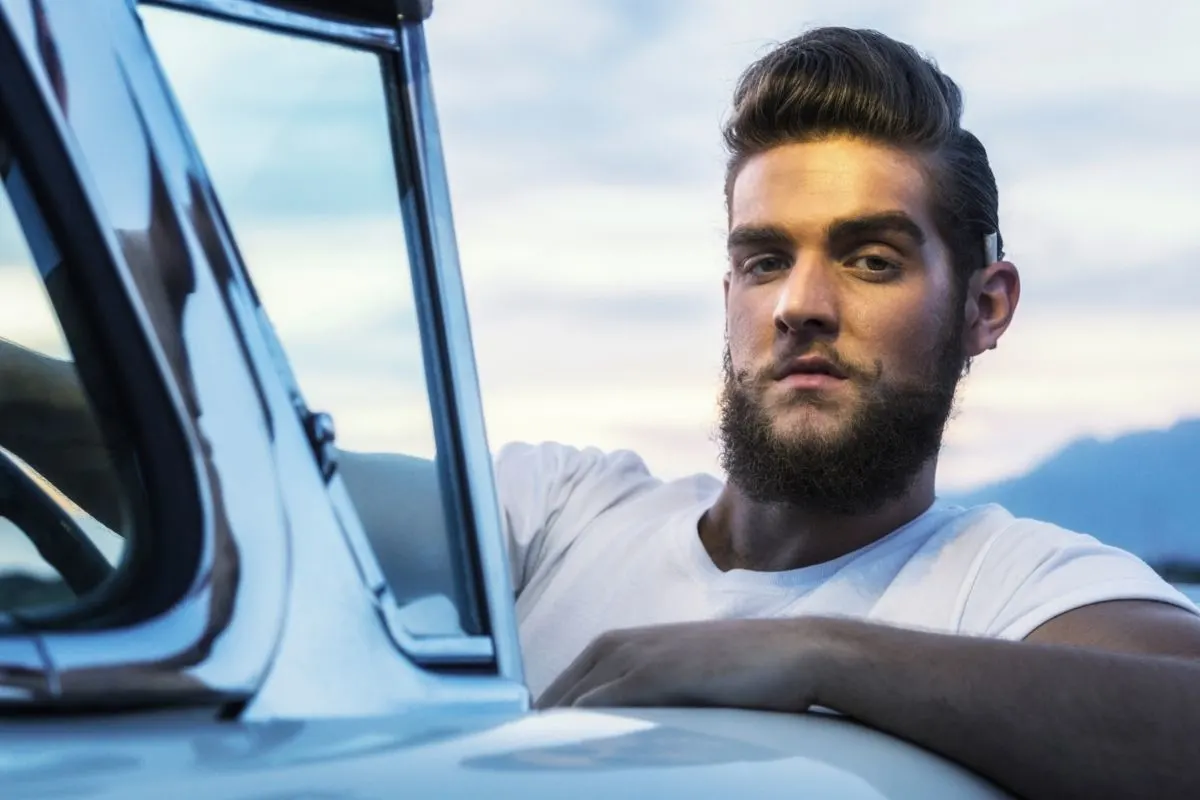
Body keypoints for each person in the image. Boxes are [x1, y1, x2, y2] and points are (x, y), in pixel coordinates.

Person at [3, 25, 1200, 800]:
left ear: (986, 305)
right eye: (762, 257)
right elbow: (216, 475)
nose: (801, 304)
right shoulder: (559, 511)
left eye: (873, 258)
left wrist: (815, 652)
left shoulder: (1008, 584)